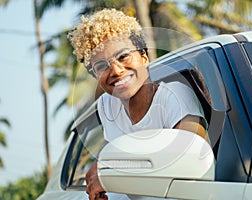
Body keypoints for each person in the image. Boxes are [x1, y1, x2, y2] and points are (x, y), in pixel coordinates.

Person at [68, 8, 208, 200]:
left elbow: (195, 159)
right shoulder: (107, 106)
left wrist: (112, 177)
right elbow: (117, 154)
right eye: (101, 66)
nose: (116, 70)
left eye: (123, 56)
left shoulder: (174, 96)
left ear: (143, 56)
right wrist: (102, 168)